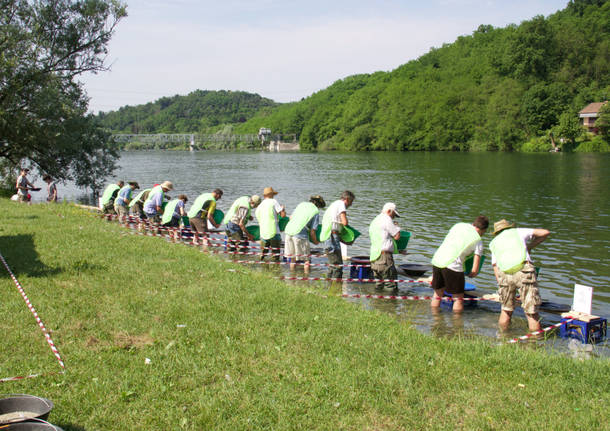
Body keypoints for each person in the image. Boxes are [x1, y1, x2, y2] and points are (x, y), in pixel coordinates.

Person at [489, 219, 550, 332]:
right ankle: (535, 343)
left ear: (496, 232)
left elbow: (495, 267)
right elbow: (545, 232)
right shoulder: (518, 231)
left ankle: (502, 337)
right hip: (523, 270)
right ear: (509, 227)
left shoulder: (493, 243)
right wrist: (530, 247)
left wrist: (501, 286)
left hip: (504, 274)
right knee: (531, 312)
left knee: (506, 310)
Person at [430, 215, 489, 313]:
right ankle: (457, 326)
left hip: (438, 260)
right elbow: (475, 267)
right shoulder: (477, 239)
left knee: (437, 294)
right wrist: (472, 273)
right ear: (483, 230)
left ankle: (435, 318)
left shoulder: (458, 225)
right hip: (453, 266)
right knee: (458, 299)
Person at [284, 195, 326, 273]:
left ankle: (292, 277)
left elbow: (290, 218)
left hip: (288, 232)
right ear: (318, 205)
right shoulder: (315, 211)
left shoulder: (301, 204)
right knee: (306, 260)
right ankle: (306, 279)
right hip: (300, 235)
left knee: (292, 259)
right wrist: (316, 242)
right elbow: (312, 231)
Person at [319, 191, 355, 280]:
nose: (351, 204)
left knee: (332, 265)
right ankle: (336, 289)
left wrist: (344, 240)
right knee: (337, 266)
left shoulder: (334, 204)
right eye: (351, 202)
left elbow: (335, 226)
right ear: (347, 199)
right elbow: (345, 222)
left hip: (328, 235)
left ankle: (328, 287)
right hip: (332, 237)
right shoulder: (341, 204)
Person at [369, 203, 404, 291]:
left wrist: (398, 251)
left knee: (379, 284)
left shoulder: (376, 220)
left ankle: (376, 303)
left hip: (374, 257)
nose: (393, 218)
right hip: (384, 259)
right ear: (389, 211)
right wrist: (396, 226)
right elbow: (397, 236)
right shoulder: (386, 219)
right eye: (393, 215)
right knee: (390, 286)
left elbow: (383, 239)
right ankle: (390, 304)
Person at [255, 187, 286, 261]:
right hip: (274, 232)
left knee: (263, 253)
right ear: (271, 194)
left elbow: (258, 216)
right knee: (275, 255)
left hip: (263, 232)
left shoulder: (260, 205)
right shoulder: (273, 201)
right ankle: (274, 270)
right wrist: (283, 209)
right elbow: (283, 215)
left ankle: (261, 266)